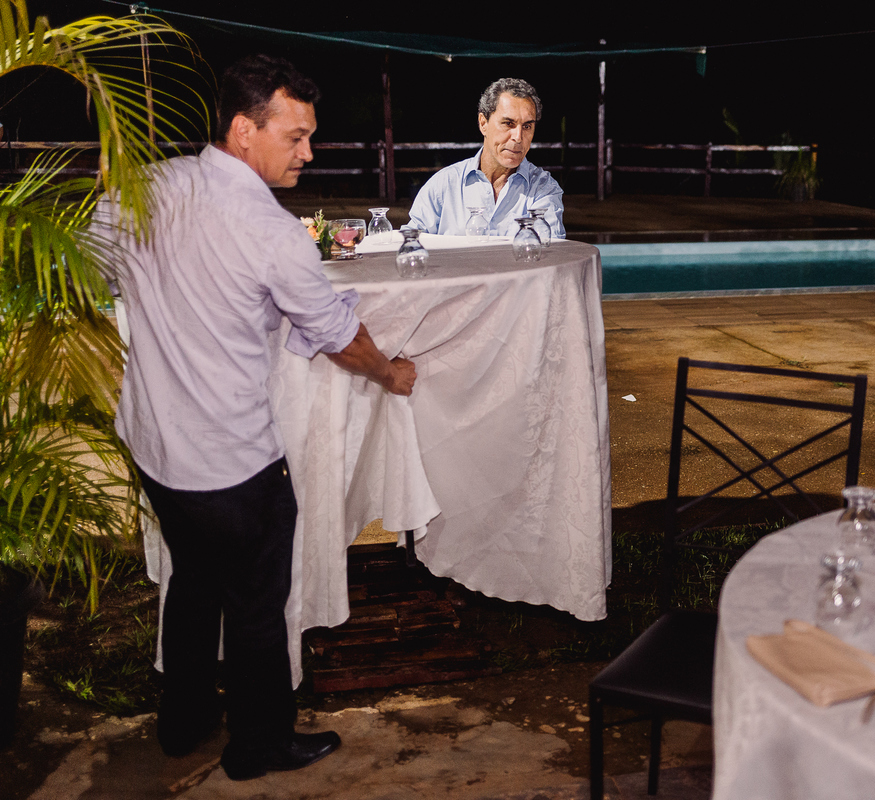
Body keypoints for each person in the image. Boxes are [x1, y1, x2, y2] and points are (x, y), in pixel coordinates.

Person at [96, 55, 417, 780]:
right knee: (254, 609)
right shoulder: (270, 231)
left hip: (155, 450)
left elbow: (91, 263)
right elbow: (340, 337)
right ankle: (259, 745)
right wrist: (392, 373)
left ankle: (182, 722)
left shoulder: (143, 185)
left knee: (191, 582)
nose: (308, 151)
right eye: (296, 136)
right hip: (234, 463)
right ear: (245, 130)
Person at [406, 77, 565, 238]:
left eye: (527, 126)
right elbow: (410, 247)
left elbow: (548, 253)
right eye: (508, 124)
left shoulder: (543, 189)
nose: (518, 137)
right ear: (483, 123)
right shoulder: (444, 186)